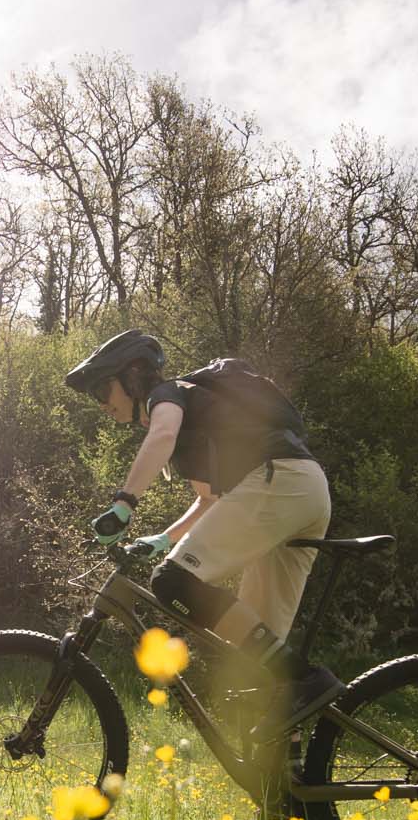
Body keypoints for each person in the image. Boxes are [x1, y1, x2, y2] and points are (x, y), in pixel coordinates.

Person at [66, 328, 342, 775]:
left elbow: (161, 437)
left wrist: (123, 505)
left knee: (173, 581)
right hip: (302, 491)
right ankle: (290, 792)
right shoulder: (195, 416)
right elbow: (209, 501)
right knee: (257, 660)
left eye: (103, 389)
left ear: (133, 377)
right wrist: (162, 539)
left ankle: (307, 680)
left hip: (280, 482)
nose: (101, 403)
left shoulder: (166, 395)